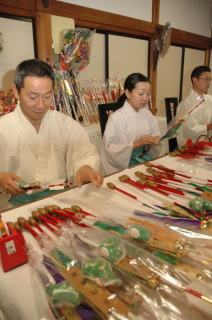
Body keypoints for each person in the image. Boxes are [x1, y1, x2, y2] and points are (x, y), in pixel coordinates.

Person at [0, 59, 103, 208]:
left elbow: (84, 153)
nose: (41, 105)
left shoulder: (65, 124)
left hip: (62, 199)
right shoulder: (3, 128)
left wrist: (85, 168)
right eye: (33, 97)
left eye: (47, 96)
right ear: (16, 91)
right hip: (16, 206)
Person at [101, 73, 161, 175]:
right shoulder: (116, 118)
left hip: (145, 162)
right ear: (128, 93)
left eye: (148, 94)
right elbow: (110, 149)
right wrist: (138, 144)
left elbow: (156, 134)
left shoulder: (147, 114)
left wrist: (155, 141)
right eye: (141, 94)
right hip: (125, 168)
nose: (146, 98)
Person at [176, 65, 212, 147]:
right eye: (206, 79)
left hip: (206, 143)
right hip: (189, 147)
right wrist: (208, 126)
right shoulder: (185, 104)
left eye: (210, 79)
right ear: (195, 80)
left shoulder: (208, 99)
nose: (209, 83)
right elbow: (187, 130)